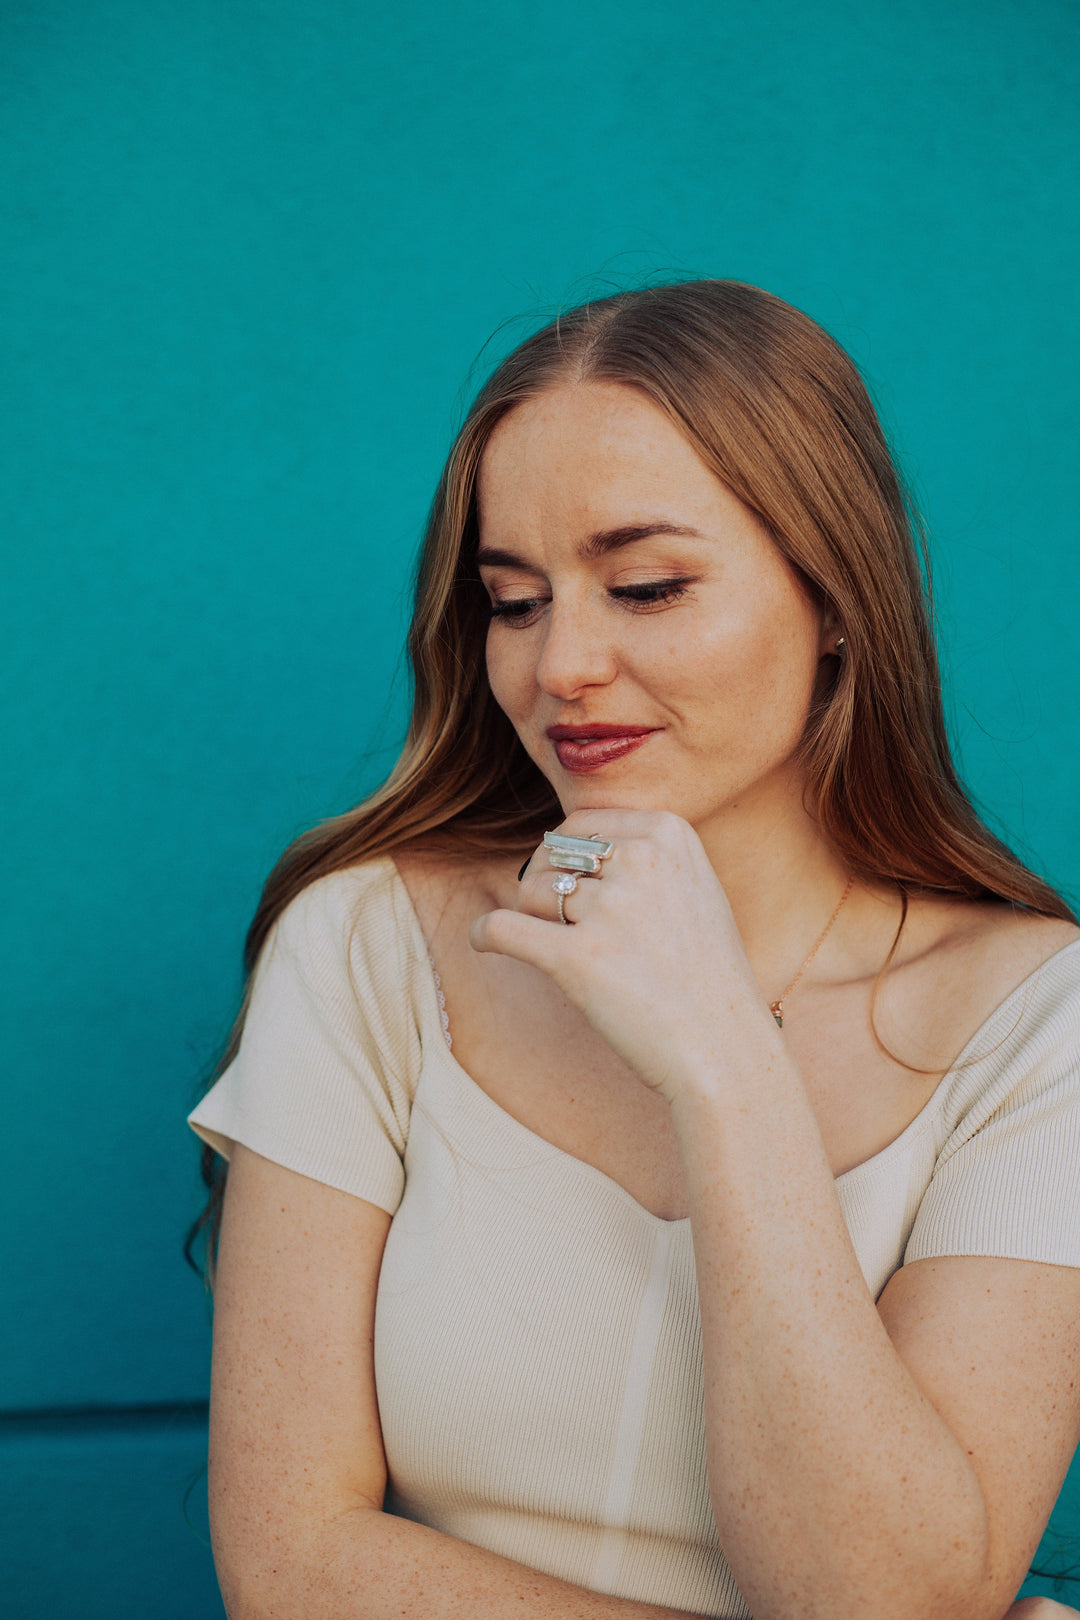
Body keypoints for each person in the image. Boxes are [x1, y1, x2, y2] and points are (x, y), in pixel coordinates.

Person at [188, 280, 1080, 1620]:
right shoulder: (368, 946)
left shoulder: (1039, 1024)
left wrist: (722, 1062)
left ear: (835, 597)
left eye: (647, 587)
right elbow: (291, 1564)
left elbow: (883, 1594)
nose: (564, 666)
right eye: (515, 600)